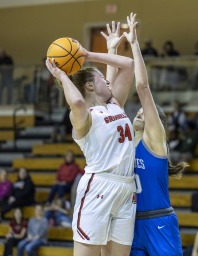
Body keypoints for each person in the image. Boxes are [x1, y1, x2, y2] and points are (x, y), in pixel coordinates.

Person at [45, 20, 136, 256]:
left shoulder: (115, 105)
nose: (108, 81)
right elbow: (76, 101)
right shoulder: (84, 118)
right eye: (101, 80)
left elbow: (128, 65)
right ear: (89, 86)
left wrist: (92, 53)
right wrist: (62, 75)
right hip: (99, 188)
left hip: (126, 189)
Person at [123, 13, 189, 256]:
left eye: (145, 111)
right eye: (138, 111)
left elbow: (142, 86)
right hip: (132, 224)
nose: (140, 113)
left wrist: (133, 44)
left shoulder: (155, 141)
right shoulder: (127, 144)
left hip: (159, 221)